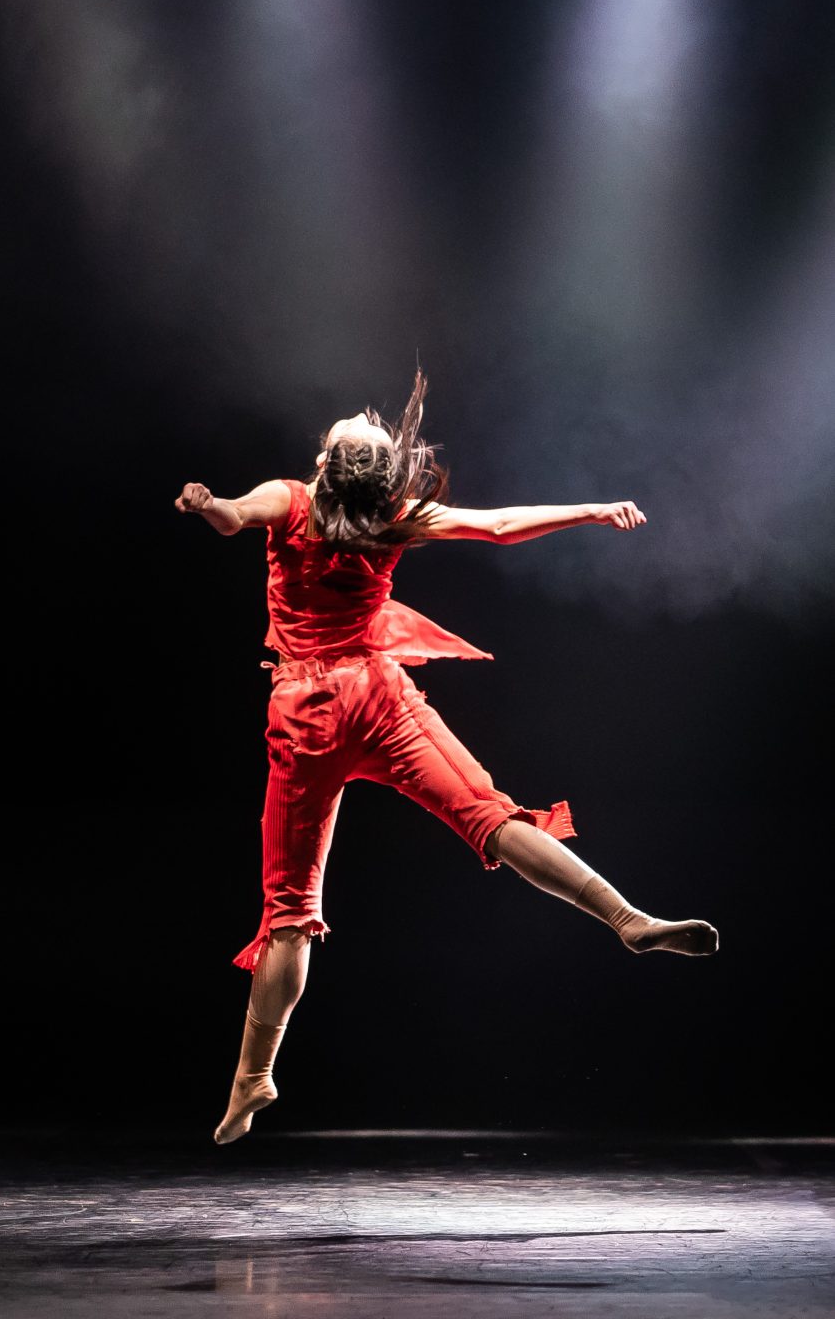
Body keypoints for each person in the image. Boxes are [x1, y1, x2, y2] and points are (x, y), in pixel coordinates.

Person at [174, 370, 718, 1145]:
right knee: (490, 817)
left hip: (308, 717)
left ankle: (253, 1073)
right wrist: (591, 510)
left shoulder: (293, 500)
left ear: (326, 466)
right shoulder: (395, 515)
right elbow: (499, 526)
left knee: (289, 912)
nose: (364, 417)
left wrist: (210, 506)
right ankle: (625, 917)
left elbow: (236, 515)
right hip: (381, 698)